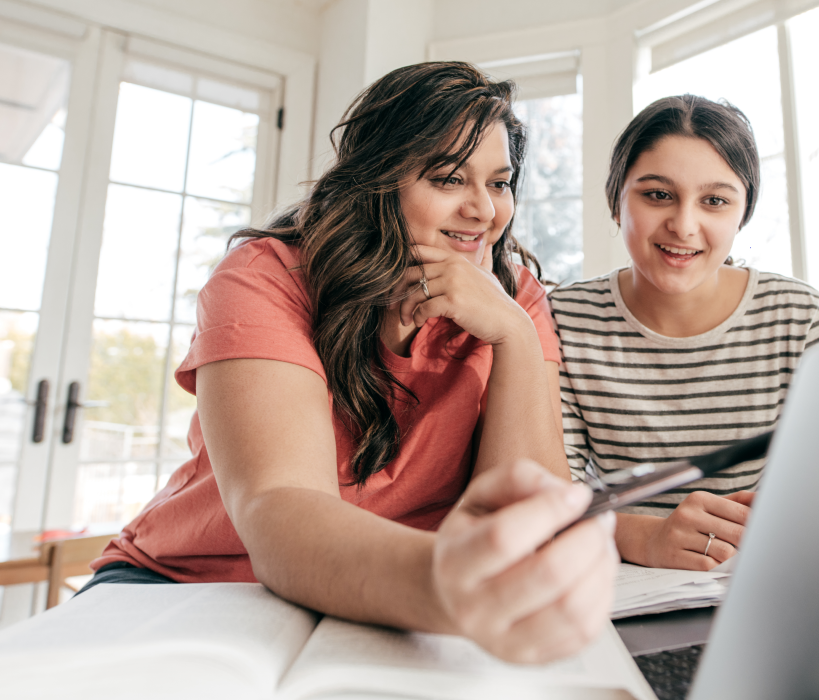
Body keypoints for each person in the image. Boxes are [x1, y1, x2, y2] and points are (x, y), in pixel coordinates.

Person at [85, 62, 618, 664]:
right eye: (448, 179)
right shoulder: (266, 277)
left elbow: (524, 512)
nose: (485, 211)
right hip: (192, 586)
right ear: (378, 181)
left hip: (383, 600)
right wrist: (448, 584)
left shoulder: (514, 299)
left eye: (499, 183)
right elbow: (279, 509)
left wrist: (515, 337)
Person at [551, 95, 819, 572]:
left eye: (715, 201)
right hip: (619, 586)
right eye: (658, 195)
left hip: (764, 576)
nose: (684, 225)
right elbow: (549, 496)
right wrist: (642, 536)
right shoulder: (564, 319)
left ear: (742, 213)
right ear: (615, 202)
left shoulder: (797, 315)